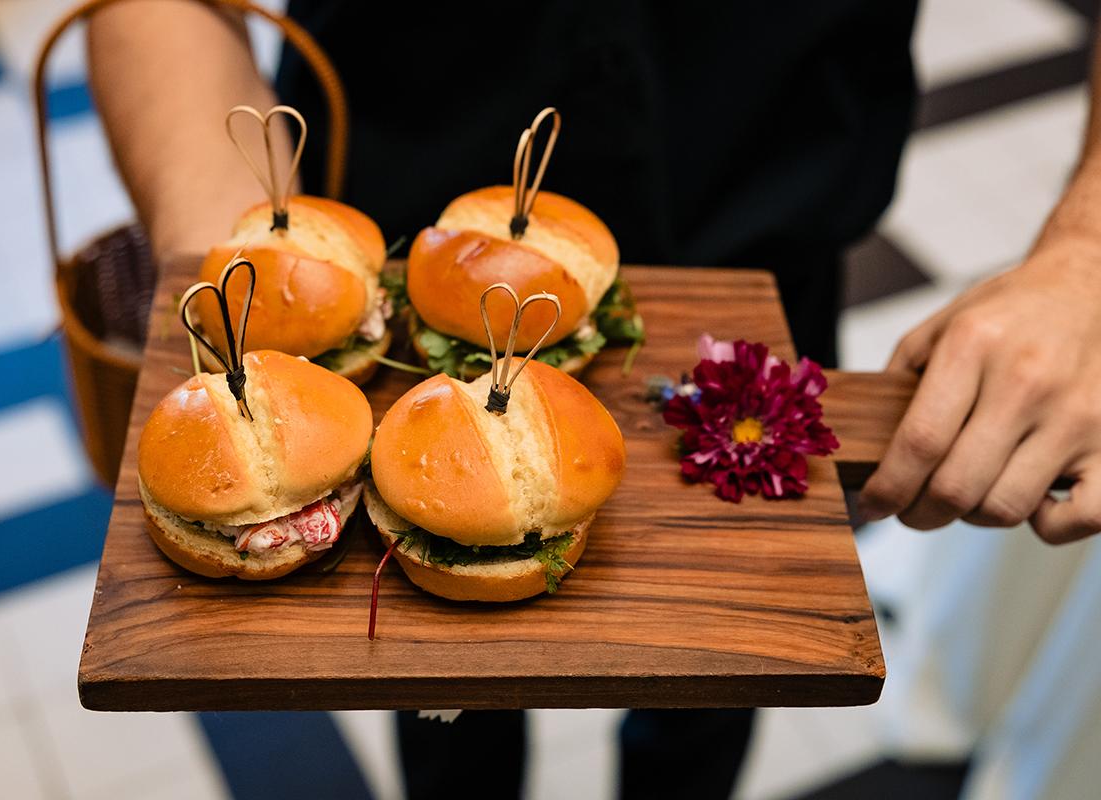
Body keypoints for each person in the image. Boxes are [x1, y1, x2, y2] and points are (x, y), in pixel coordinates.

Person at [87, 1, 1101, 797]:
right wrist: (239, 283)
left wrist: (1089, 251)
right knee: (436, 686)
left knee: (729, 648)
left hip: (762, 253)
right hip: (399, 212)